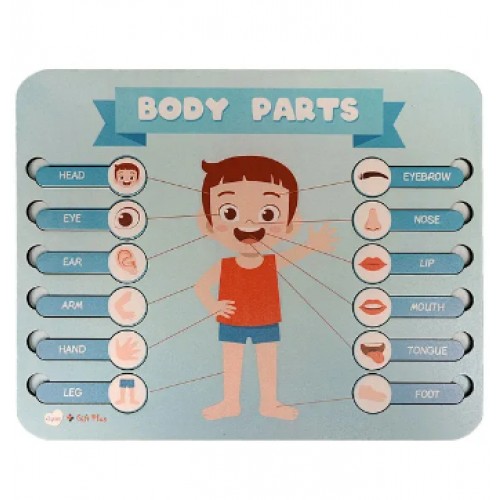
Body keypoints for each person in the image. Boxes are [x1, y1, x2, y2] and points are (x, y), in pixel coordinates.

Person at [195, 156, 337, 420]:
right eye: (230, 213)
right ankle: (230, 403)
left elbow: (296, 255)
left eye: (268, 214)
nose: (249, 226)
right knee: (232, 361)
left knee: (267, 361)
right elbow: (201, 286)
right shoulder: (225, 265)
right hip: (232, 320)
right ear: (208, 224)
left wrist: (314, 245)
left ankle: (269, 403)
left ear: (290, 225)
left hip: (266, 319)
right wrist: (213, 306)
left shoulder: (271, 262)